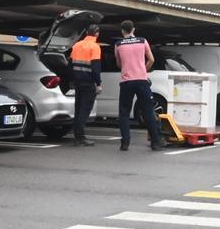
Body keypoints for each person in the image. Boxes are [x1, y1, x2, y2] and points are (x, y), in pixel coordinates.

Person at [114, 19, 164, 151]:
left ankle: (125, 142)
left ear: (122, 31)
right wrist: (143, 69)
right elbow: (151, 59)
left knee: (124, 112)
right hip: (142, 81)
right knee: (148, 110)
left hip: (126, 82)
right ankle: (155, 142)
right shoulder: (142, 41)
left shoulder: (118, 44)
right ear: (133, 30)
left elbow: (119, 64)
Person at [68, 24, 102, 146]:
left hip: (78, 82)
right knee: (85, 109)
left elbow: (70, 64)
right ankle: (80, 137)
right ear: (97, 33)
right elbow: (96, 68)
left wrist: (71, 80)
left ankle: (77, 136)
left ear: (87, 32)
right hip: (88, 83)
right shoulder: (95, 47)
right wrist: (98, 84)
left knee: (78, 108)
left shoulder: (76, 45)